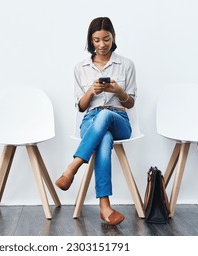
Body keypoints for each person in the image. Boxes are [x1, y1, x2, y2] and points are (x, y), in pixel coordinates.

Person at [55, 17, 137, 226]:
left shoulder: (126, 64)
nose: (101, 45)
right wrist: (92, 91)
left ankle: (73, 166)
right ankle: (104, 206)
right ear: (90, 41)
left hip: (118, 118)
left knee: (106, 115)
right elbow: (81, 107)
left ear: (113, 37)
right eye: (96, 40)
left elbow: (130, 104)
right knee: (104, 137)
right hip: (90, 120)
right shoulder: (80, 67)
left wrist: (118, 90)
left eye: (106, 39)